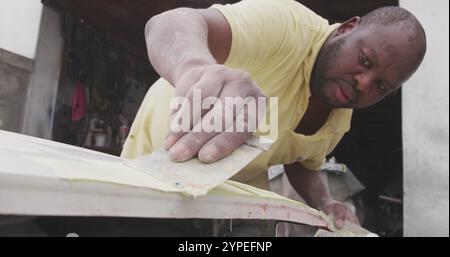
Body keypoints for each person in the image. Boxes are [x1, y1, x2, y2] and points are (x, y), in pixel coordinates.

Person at [121, 0, 426, 231]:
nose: (364, 83)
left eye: (381, 86)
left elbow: (302, 162)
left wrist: (325, 201)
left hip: (240, 198)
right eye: (365, 60)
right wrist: (195, 67)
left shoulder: (340, 119)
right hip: (159, 172)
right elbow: (170, 23)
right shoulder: (287, 25)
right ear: (348, 28)